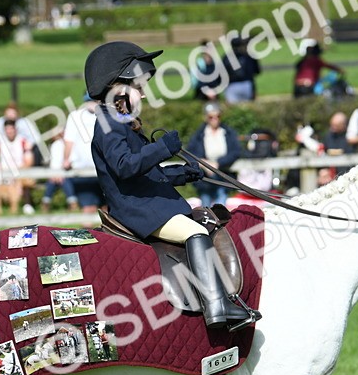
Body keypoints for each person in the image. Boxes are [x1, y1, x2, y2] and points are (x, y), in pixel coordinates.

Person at [84, 41, 258, 331]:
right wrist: (163, 148)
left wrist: (181, 174)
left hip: (148, 202)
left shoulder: (122, 122)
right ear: (118, 86)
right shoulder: (107, 123)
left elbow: (145, 173)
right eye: (138, 86)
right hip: (137, 210)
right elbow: (125, 167)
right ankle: (217, 306)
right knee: (195, 230)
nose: (142, 92)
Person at [185, 102, 241, 208]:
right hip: (205, 179)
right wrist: (203, 163)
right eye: (211, 117)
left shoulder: (228, 132)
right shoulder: (199, 135)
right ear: (206, 117)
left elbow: (236, 152)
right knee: (206, 208)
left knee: (221, 208)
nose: (215, 119)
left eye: (217, 116)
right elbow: (189, 154)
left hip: (223, 176)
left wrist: (218, 163)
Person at [0, 118, 35, 216]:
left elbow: (29, 160)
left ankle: (25, 206)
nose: (10, 131)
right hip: (2, 171)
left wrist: (17, 172)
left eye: (12, 129)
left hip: (19, 172)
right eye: (8, 129)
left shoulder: (23, 142)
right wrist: (0, 171)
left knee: (21, 183)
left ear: (16, 129)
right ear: (5, 130)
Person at [64, 95, 102, 215]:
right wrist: (66, 159)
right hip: (83, 169)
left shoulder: (104, 115)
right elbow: (69, 141)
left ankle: (103, 234)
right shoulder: (75, 116)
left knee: (106, 209)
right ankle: (91, 234)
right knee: (88, 208)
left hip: (101, 168)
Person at [41, 128, 79, 212]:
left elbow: (73, 160)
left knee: (65, 181)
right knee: (52, 182)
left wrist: (61, 174)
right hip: (56, 173)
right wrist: (55, 174)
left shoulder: (72, 145)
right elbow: (54, 162)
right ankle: (47, 203)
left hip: (68, 172)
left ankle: (71, 203)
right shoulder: (56, 144)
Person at [223, 37, 261, 103]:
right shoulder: (248, 56)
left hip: (232, 86)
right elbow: (257, 71)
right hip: (247, 85)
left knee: (234, 110)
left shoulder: (226, 57)